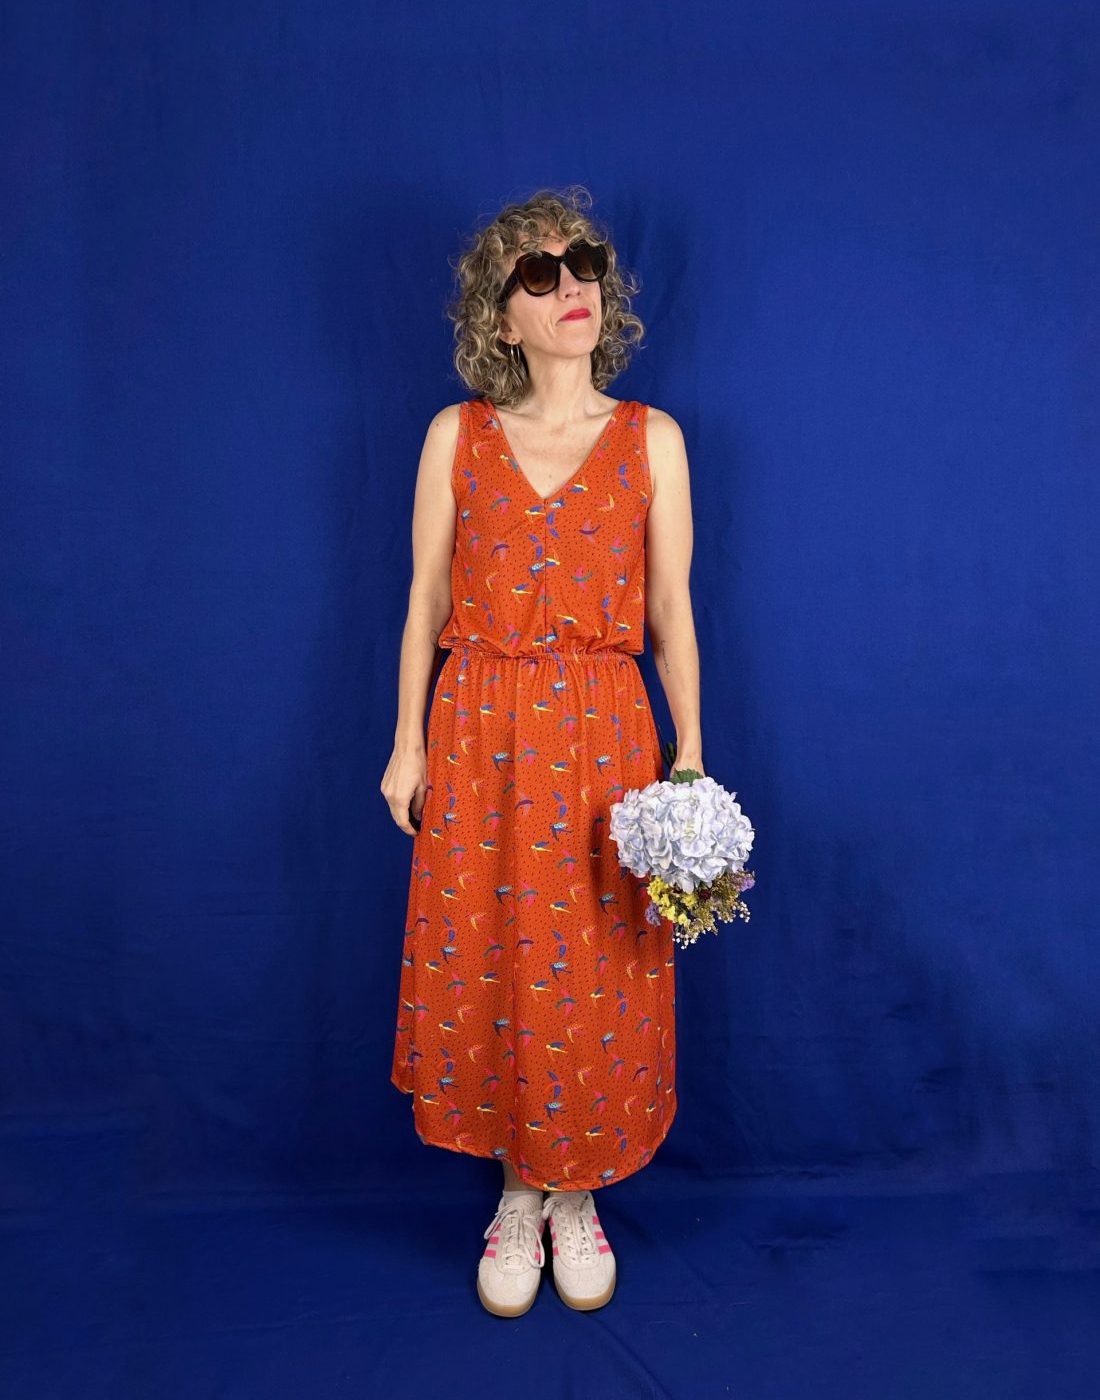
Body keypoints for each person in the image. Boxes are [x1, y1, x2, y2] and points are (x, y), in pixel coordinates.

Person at [381, 186, 701, 1316]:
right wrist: (406, 744)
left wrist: (689, 759)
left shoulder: (652, 439)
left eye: (586, 265)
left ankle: (576, 1191)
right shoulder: (455, 437)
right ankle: (519, 1194)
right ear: (500, 314)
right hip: (481, 730)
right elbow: (424, 600)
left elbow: (672, 610)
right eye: (538, 274)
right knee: (494, 950)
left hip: (607, 733)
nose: (572, 287)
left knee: (596, 962)